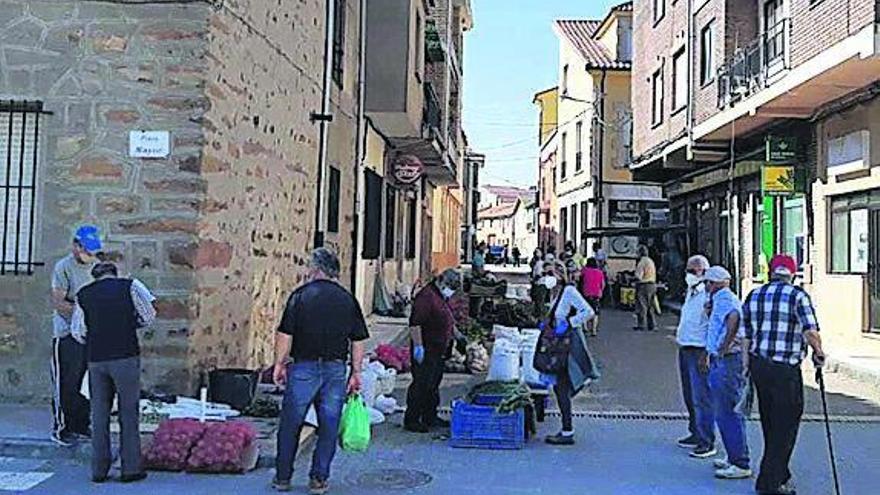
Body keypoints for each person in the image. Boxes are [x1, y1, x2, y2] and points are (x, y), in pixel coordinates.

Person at [272, 248, 369, 494]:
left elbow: (285, 334)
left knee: (291, 423)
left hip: (304, 366)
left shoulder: (300, 296)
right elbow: (358, 339)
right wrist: (356, 372)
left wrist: (279, 363)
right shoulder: (348, 299)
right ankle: (319, 478)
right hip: (335, 369)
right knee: (328, 424)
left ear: (316, 269)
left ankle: (283, 477)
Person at [743, 255, 825, 495]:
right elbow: (810, 330)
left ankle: (781, 471)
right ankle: (769, 483)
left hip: (760, 366)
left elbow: (746, 335)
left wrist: (746, 366)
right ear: (792, 273)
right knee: (786, 424)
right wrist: (818, 351)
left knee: (770, 421)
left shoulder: (754, 295)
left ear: (770, 273)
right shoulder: (798, 296)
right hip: (784, 369)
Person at [71, 262, 155, 484]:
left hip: (96, 358)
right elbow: (148, 316)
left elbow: (78, 331)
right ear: (114, 274)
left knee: (99, 414)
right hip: (125, 355)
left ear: (95, 277)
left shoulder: (83, 294)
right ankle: (130, 468)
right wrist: (129, 323)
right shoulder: (130, 286)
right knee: (129, 412)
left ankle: (99, 469)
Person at [50, 225, 103, 446]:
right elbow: (58, 302)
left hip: (91, 335)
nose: (90, 256)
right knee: (67, 381)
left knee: (86, 383)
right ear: (76, 246)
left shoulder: (98, 268)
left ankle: (82, 425)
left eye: (93, 252)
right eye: (86, 250)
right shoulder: (63, 268)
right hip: (67, 334)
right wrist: (82, 313)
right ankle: (63, 427)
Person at [703, 266, 751, 480]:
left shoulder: (724, 298)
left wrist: (723, 346)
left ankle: (740, 461)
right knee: (724, 410)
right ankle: (734, 455)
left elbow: (733, 318)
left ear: (713, 283)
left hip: (727, 360)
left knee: (728, 410)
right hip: (724, 358)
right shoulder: (722, 298)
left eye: (707, 282)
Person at [542, 268, 597, 445]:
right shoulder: (554, 294)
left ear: (560, 275)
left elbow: (588, 311)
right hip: (558, 345)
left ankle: (567, 431)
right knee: (560, 387)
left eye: (551, 274)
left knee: (562, 386)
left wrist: (569, 324)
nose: (547, 277)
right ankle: (566, 429)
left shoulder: (569, 291)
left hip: (569, 345)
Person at [405, 269, 462, 433]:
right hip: (426, 347)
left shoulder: (440, 297)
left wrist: (456, 335)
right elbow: (415, 324)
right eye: (450, 286)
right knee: (421, 384)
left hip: (439, 349)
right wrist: (418, 346)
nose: (450, 290)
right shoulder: (426, 297)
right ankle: (413, 419)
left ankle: (430, 416)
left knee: (433, 384)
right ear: (441, 281)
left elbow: (447, 319)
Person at [674, 255, 716, 458]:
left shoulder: (708, 295)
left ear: (704, 272)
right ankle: (695, 431)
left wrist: (708, 352)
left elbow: (713, 326)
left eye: (694, 271)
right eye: (689, 270)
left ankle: (706, 440)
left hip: (699, 349)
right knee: (689, 394)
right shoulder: (691, 292)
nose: (690, 274)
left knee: (702, 396)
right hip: (685, 346)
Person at [633, 245, 658, 332]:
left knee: (642, 305)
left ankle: (641, 325)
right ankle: (652, 325)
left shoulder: (642, 262)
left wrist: (632, 278)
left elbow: (638, 276)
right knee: (650, 306)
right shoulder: (650, 261)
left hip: (644, 285)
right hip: (652, 284)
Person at [580, 258, 605, 336]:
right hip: (596, 294)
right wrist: (600, 291)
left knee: (584, 310)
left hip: (585, 293)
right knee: (595, 312)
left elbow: (580, 279)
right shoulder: (600, 272)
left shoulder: (584, 271)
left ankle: (585, 327)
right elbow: (603, 284)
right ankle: (593, 330)